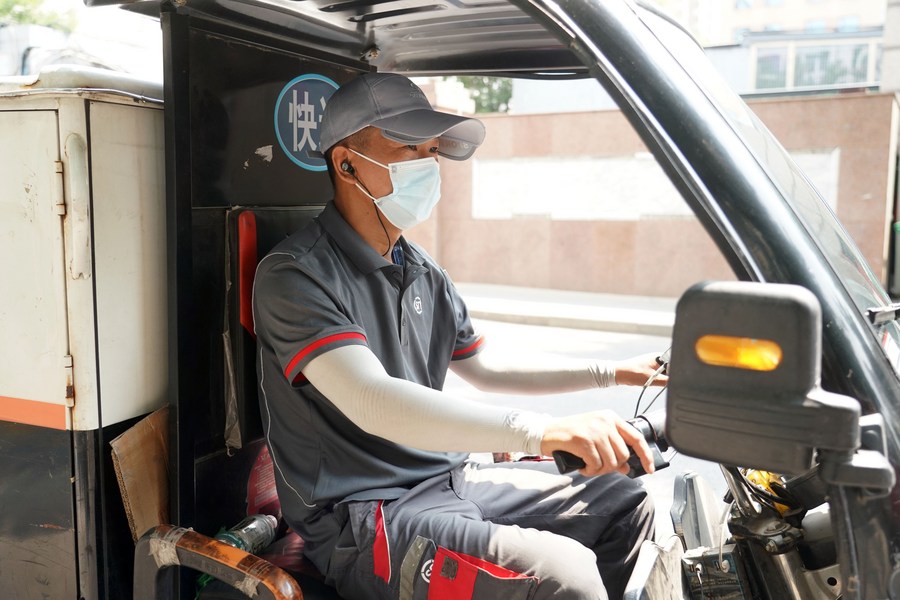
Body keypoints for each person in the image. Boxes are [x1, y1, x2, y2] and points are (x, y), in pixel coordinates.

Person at [253, 72, 666, 600]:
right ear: (347, 162)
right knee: (565, 576)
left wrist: (613, 370)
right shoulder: (296, 275)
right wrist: (541, 432)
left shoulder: (422, 271)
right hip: (367, 516)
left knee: (628, 499)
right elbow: (372, 400)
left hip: (449, 481)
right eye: (407, 147)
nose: (429, 163)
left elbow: (484, 367)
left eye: (432, 150)